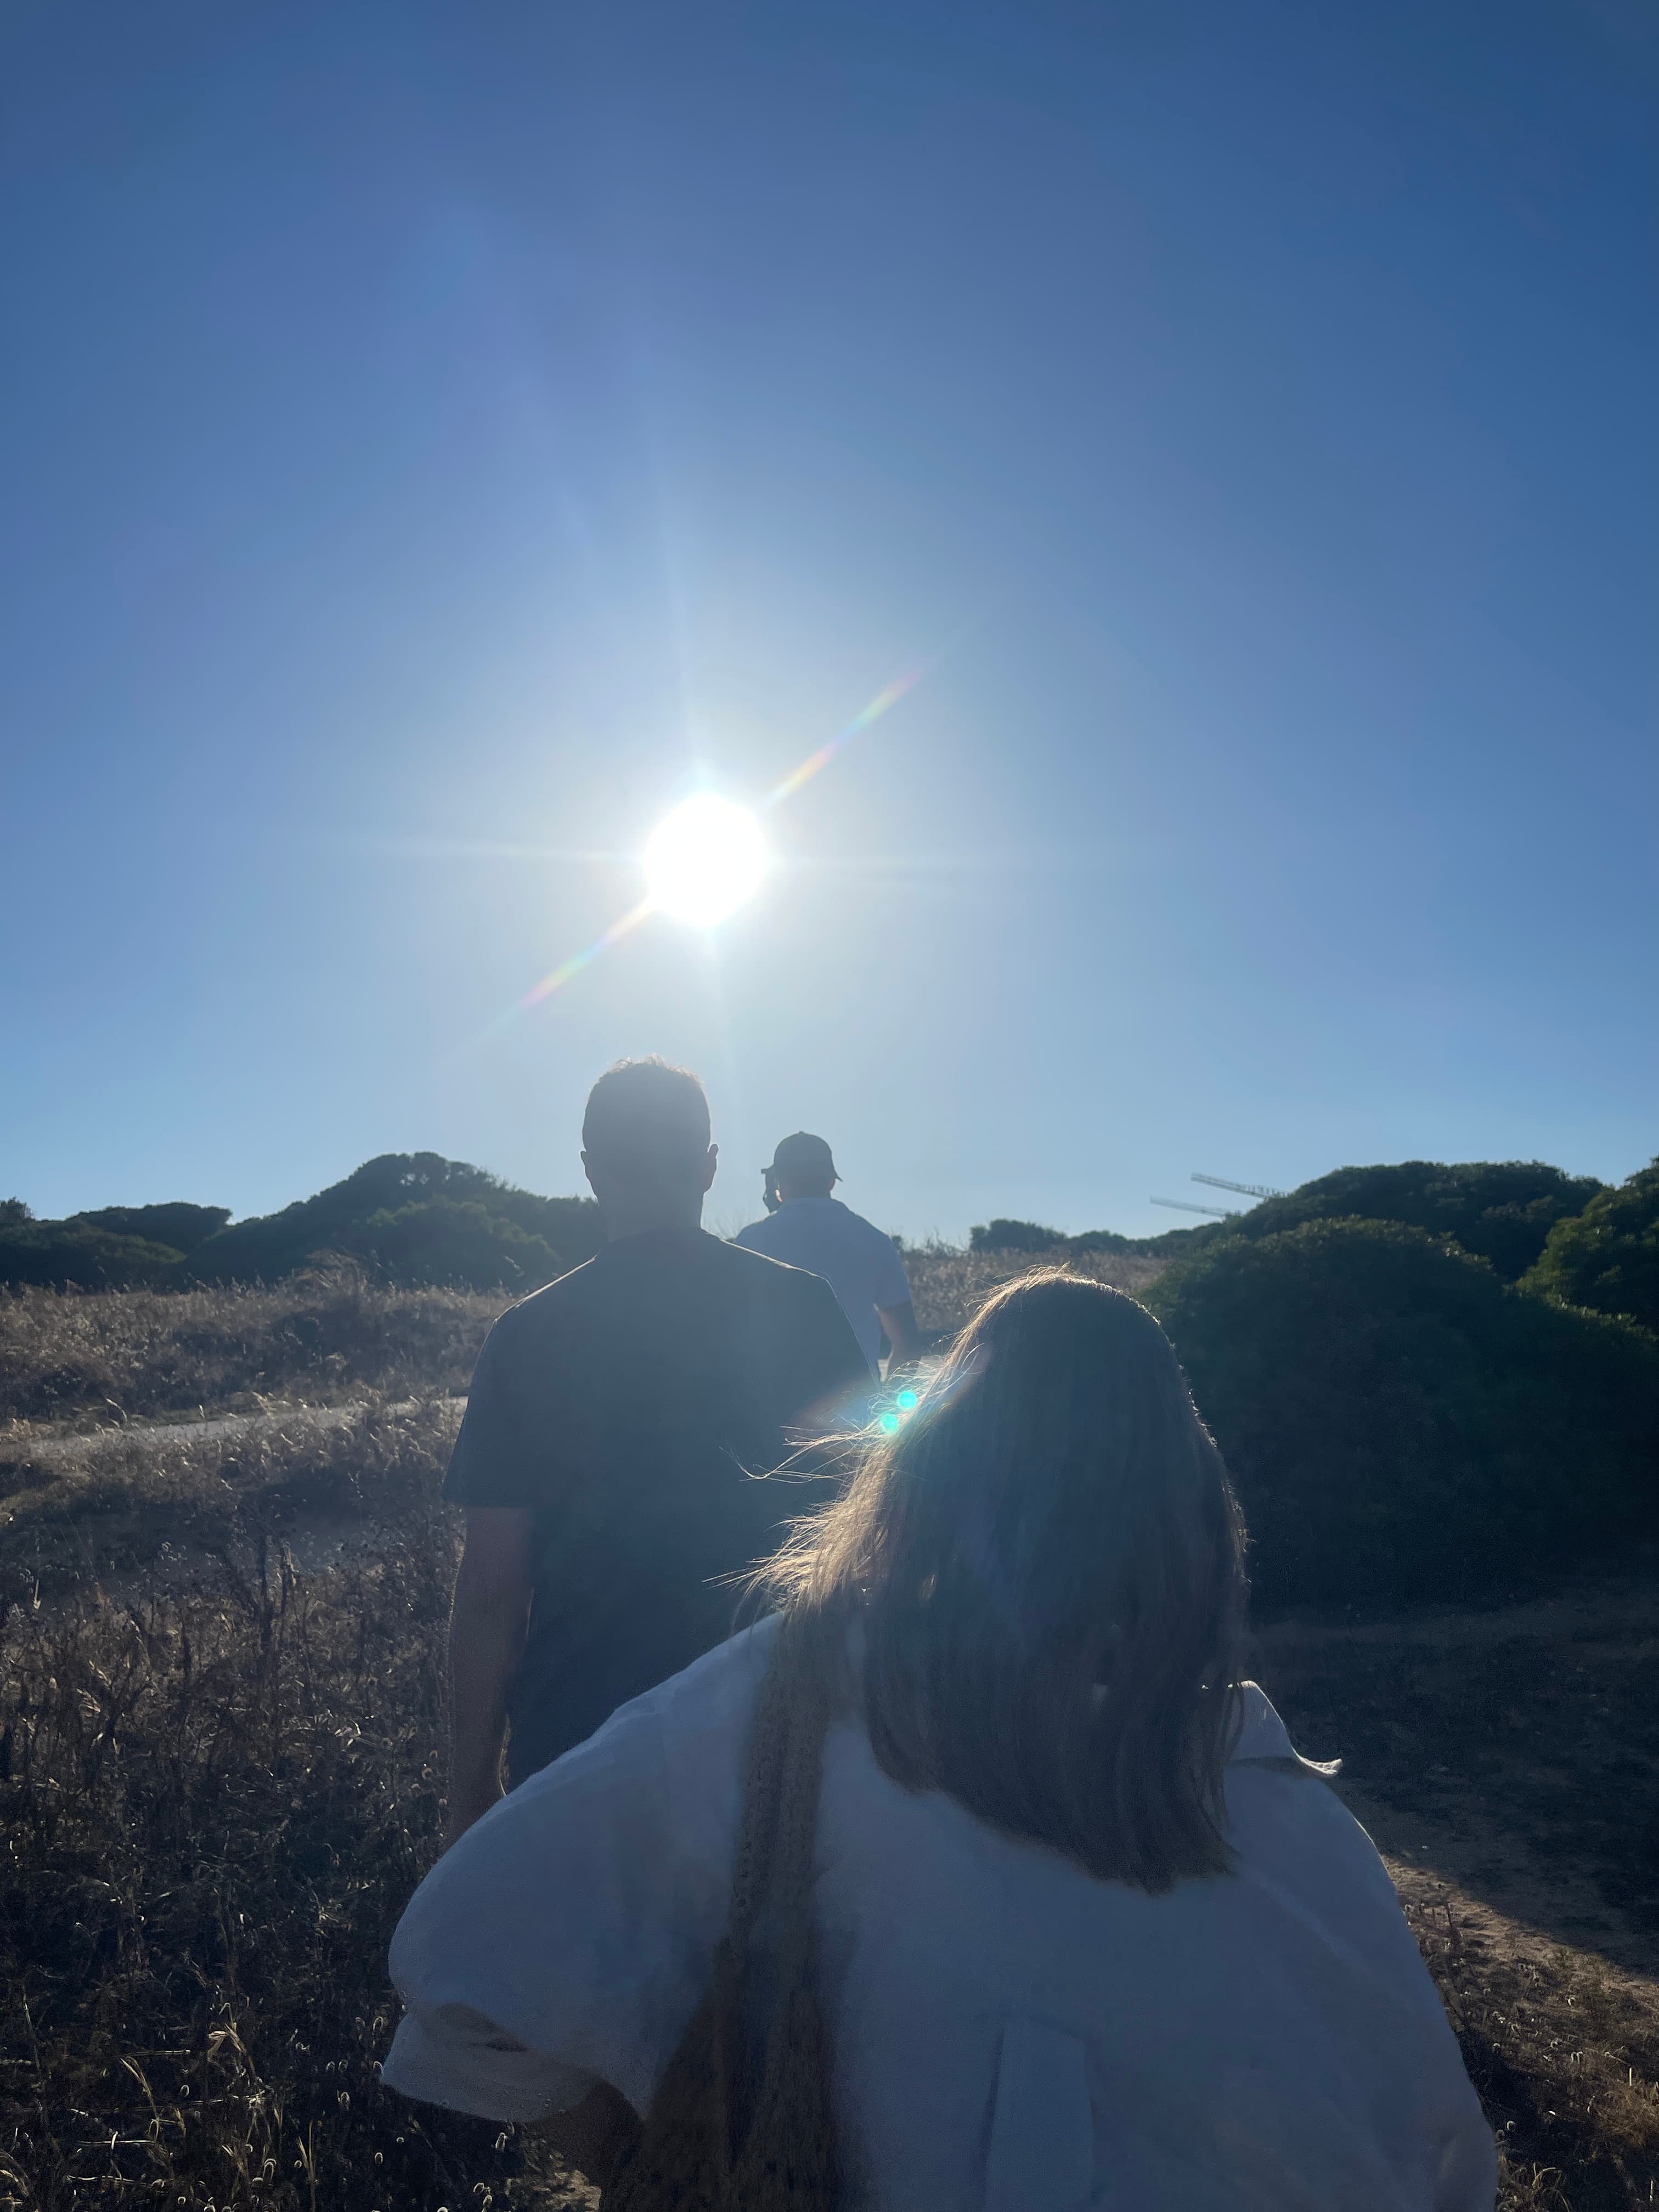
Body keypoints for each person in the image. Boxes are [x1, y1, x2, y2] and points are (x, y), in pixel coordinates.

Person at [385, 1272, 1496, 2211]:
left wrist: (644, 2157)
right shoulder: (1280, 1804)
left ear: (930, 1475)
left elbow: (466, 1945)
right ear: (1194, 1515)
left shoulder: (810, 1695)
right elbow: (1451, 2163)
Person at [439, 1057, 869, 1849]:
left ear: (592, 1173)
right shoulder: (806, 1310)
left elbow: (494, 1589)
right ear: (709, 1167)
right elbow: (866, 1533)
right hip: (780, 1737)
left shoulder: (526, 1336)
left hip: (580, 1746)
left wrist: (470, 1789)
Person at [734, 1131, 921, 1374]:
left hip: (772, 1409)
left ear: (778, 1182)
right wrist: (889, 1410)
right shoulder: (874, 1241)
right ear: (831, 1181)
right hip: (857, 1408)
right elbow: (908, 1346)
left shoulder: (750, 1241)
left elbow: (731, 1337)